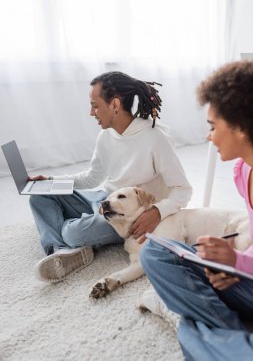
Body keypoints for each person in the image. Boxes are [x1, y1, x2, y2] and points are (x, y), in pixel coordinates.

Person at [29, 71, 192, 283]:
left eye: (95, 106)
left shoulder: (155, 138)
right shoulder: (106, 135)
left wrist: (157, 212)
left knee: (72, 233)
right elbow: (92, 177)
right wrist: (52, 182)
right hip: (103, 198)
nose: (91, 112)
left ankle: (67, 242)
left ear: (114, 105)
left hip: (127, 215)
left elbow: (183, 189)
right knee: (40, 196)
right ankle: (60, 251)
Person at [140, 60, 253, 361]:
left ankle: (198, 326)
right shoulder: (243, 171)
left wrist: (239, 263)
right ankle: (229, 336)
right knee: (155, 252)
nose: (208, 136)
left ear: (241, 127)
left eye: (213, 127)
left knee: (190, 327)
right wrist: (230, 264)